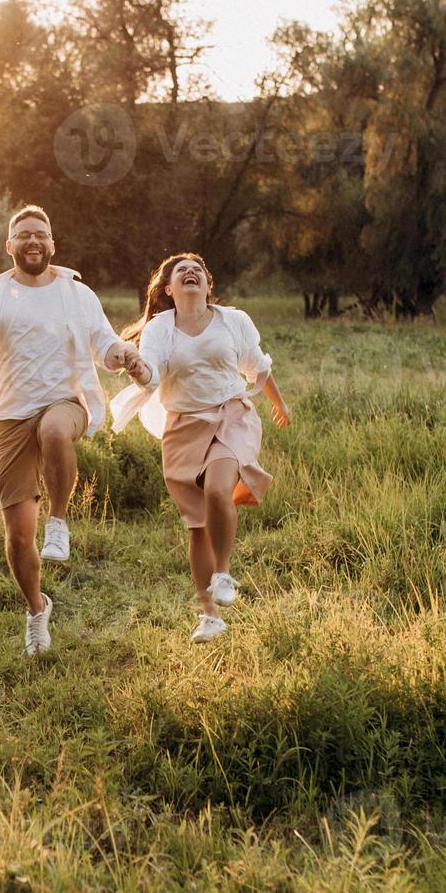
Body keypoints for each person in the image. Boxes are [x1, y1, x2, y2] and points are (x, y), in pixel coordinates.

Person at [0, 204, 142, 656]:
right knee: (18, 536)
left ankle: (58, 521)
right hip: (12, 417)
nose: (33, 241)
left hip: (65, 402)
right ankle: (37, 610)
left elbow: (104, 342)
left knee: (56, 431)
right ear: (10, 245)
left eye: (40, 234)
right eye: (24, 235)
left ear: (52, 243)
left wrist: (124, 355)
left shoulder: (76, 293)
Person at [112, 253, 290, 643]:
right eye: (181, 271)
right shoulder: (160, 329)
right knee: (196, 527)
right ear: (168, 289)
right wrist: (138, 368)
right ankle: (209, 616)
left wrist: (279, 403)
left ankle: (223, 573)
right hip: (183, 427)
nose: (190, 273)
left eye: (197, 270)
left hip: (231, 415)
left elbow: (258, 366)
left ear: (208, 285)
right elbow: (151, 372)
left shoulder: (233, 321)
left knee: (216, 488)